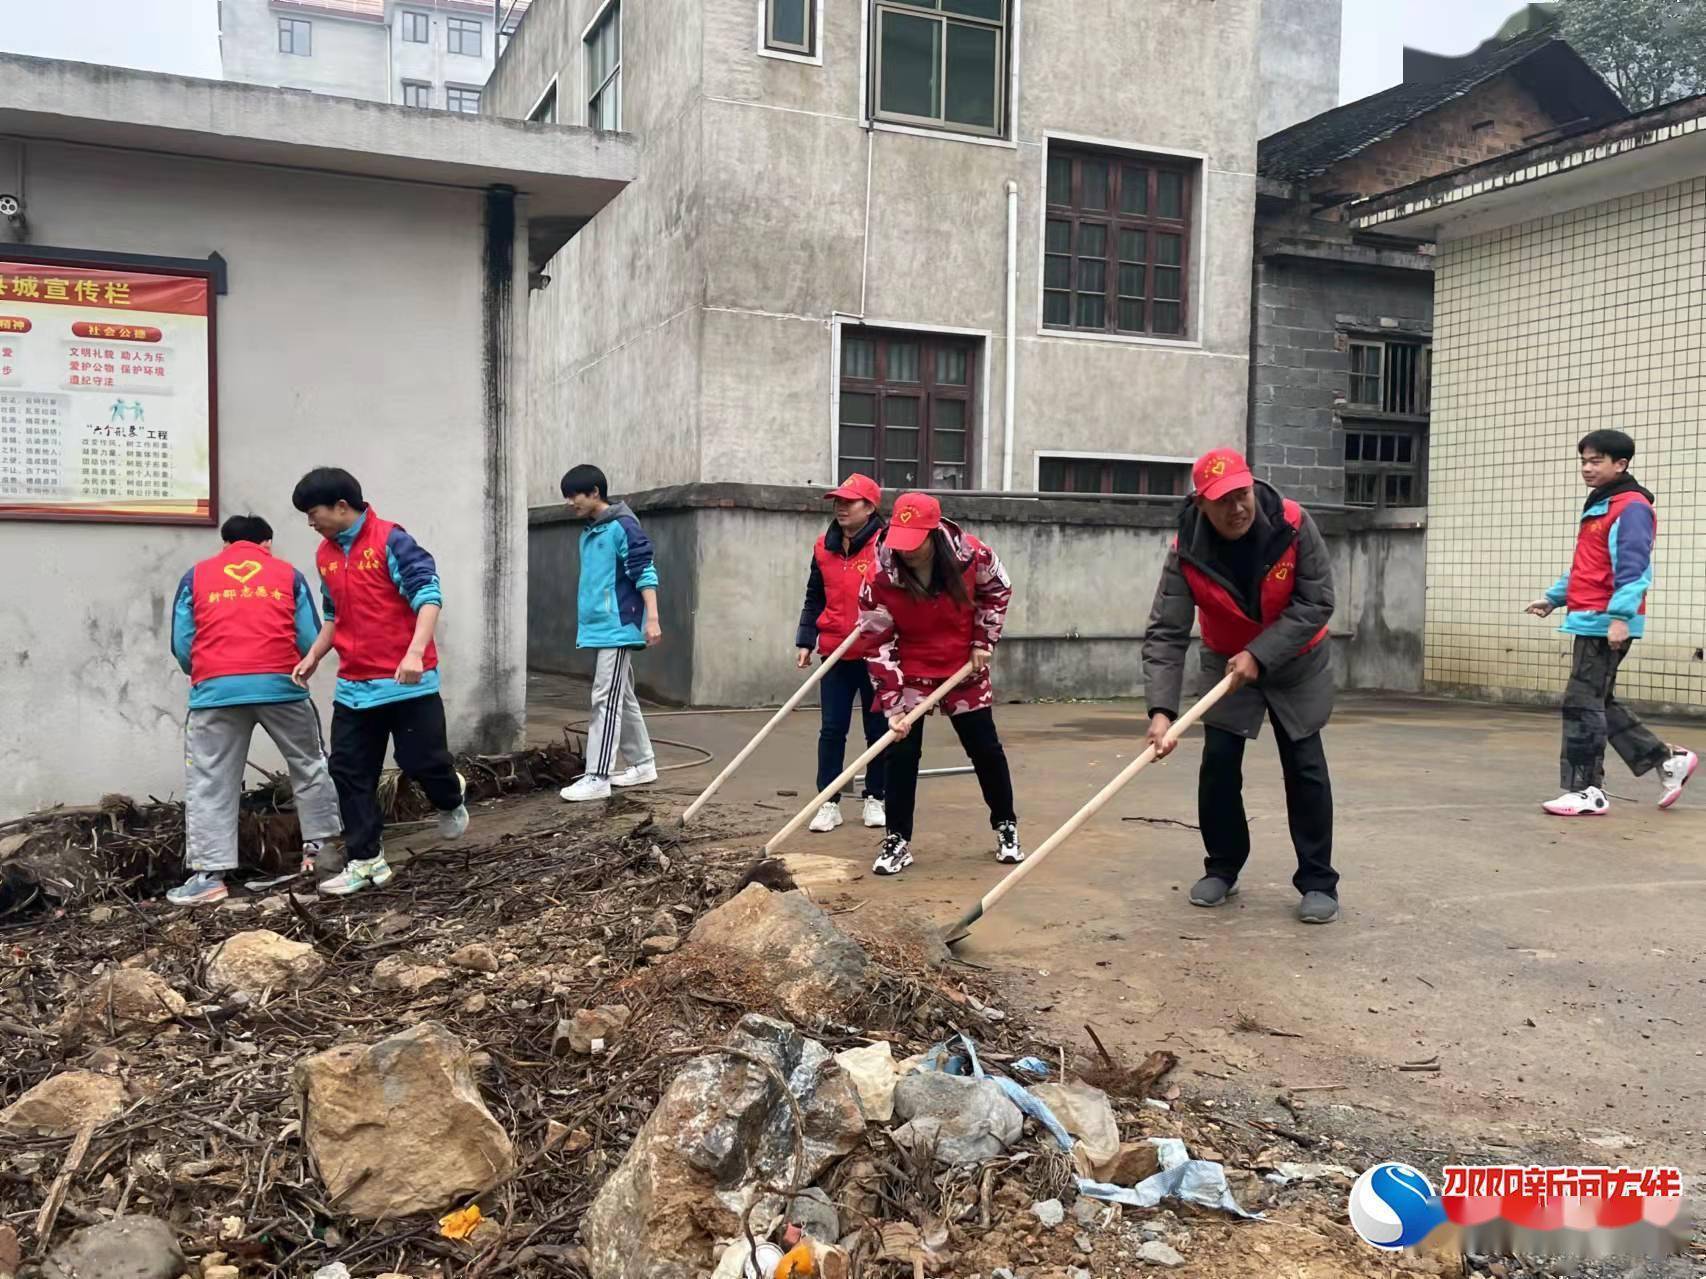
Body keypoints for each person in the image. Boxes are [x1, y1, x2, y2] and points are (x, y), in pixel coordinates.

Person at [1142, 448, 1340, 925]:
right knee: (1219, 765)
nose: (1237, 509)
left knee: (1304, 763)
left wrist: (1261, 653)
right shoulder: (1186, 550)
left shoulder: (1293, 523)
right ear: (1200, 504)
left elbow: (1317, 601)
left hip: (1297, 660)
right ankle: (1222, 867)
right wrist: (1161, 711)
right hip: (1227, 662)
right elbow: (1166, 632)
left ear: (1253, 487)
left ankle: (1318, 880)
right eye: (1222, 501)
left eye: (1242, 495)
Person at [289, 468, 468, 895]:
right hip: (355, 686)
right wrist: (314, 655)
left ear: (342, 506)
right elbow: (334, 615)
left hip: (408, 682)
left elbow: (429, 597)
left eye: (314, 513)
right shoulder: (325, 554)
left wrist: (413, 653)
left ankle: (450, 795)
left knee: (423, 762)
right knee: (350, 772)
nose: (310, 523)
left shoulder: (392, 541)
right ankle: (366, 861)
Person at [165, 515, 343, 906]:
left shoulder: (195, 576)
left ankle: (209, 876)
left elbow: (182, 644)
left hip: (216, 692)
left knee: (211, 779)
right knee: (309, 764)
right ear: (267, 543)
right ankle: (321, 851)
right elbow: (310, 638)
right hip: (283, 687)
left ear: (225, 544)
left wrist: (209, 673)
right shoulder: (287, 574)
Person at [1525, 430, 1695, 816]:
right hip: (1589, 617)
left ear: (1621, 464)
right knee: (1598, 699)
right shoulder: (1601, 505)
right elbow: (1589, 567)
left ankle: (1586, 789)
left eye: (1595, 461)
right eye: (1583, 460)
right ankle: (1665, 759)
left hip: (1605, 621)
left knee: (1581, 704)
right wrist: (1553, 598)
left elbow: (1634, 569)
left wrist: (1620, 618)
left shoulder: (1630, 507)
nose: (1586, 468)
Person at [858, 492, 1019, 877]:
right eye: (901, 542)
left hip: (963, 666)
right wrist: (893, 704)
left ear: (933, 533)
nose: (907, 552)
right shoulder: (880, 574)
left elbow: (999, 590)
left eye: (914, 543)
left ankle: (1006, 825)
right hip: (910, 671)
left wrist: (984, 640)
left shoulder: (971, 555)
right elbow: (876, 641)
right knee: (900, 752)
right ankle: (897, 838)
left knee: (985, 749)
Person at [557, 464, 663, 802]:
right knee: (622, 695)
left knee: (605, 698)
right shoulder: (590, 532)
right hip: (601, 628)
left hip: (618, 628)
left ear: (595, 493)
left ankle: (598, 776)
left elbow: (644, 570)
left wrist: (653, 619)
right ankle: (643, 764)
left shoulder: (622, 527)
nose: (570, 501)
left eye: (574, 494)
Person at [795, 473, 888, 834]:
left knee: (878, 729)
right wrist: (805, 638)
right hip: (835, 650)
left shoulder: (885, 545)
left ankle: (876, 796)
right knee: (832, 729)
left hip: (876, 653)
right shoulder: (824, 547)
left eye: (849, 502)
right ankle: (828, 801)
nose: (840, 507)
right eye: (837, 501)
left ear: (870, 507)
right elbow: (814, 596)